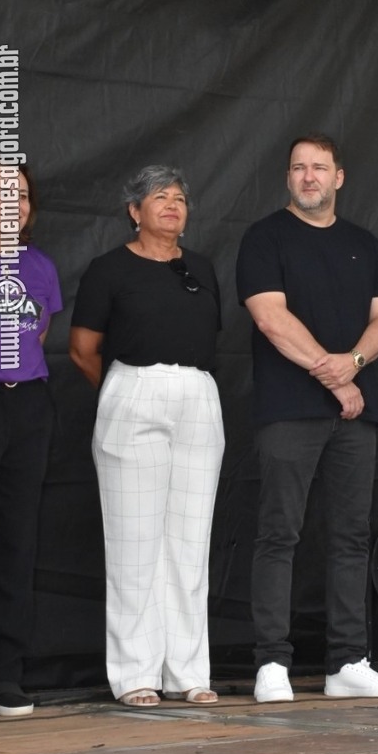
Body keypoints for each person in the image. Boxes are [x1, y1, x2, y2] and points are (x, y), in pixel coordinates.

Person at [236, 133, 378, 703]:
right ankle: (271, 664)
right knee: (279, 532)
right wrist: (337, 378)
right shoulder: (264, 238)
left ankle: (347, 662)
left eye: (319, 168)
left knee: (352, 537)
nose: (309, 177)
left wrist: (353, 363)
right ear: (288, 178)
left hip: (356, 410)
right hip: (290, 409)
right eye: (298, 168)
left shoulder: (364, 243)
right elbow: (270, 318)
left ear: (339, 177)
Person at [69, 166, 224, 708]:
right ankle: (135, 673)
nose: (172, 206)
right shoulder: (109, 269)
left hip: (197, 394)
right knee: (135, 544)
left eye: (180, 197)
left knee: (189, 542)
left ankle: (188, 672)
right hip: (134, 386)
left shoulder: (200, 267)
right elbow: (83, 349)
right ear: (135, 211)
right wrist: (122, 389)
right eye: (160, 198)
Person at [0, 158, 62, 718]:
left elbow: (39, 332)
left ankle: (3, 676)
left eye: (23, 196)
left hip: (29, 404)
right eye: (0, 193)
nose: (13, 203)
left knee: (17, 541)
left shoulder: (41, 267)